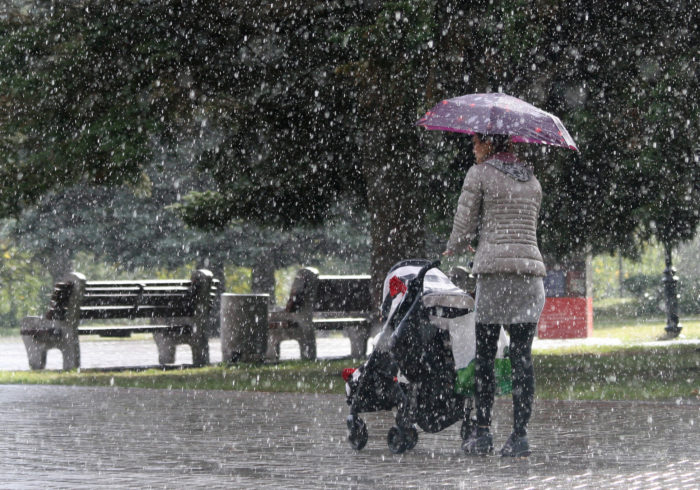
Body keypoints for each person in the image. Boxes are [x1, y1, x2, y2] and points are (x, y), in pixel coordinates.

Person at [443, 132, 546, 457]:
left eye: (476, 142)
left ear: (489, 144)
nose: (473, 148)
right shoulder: (532, 181)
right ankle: (519, 436)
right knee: (521, 357)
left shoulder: (480, 174)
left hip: (495, 277)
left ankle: (483, 431)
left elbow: (464, 223)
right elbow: (517, 227)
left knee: (486, 355)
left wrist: (453, 248)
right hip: (530, 277)